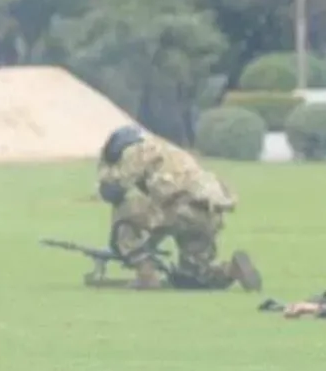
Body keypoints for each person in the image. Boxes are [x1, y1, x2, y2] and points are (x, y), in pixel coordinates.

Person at [95, 125, 262, 292]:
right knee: (191, 277)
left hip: (179, 209)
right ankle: (231, 270)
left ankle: (146, 275)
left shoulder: (137, 151)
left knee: (124, 212)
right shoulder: (171, 151)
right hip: (208, 214)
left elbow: (112, 191)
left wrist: (130, 249)